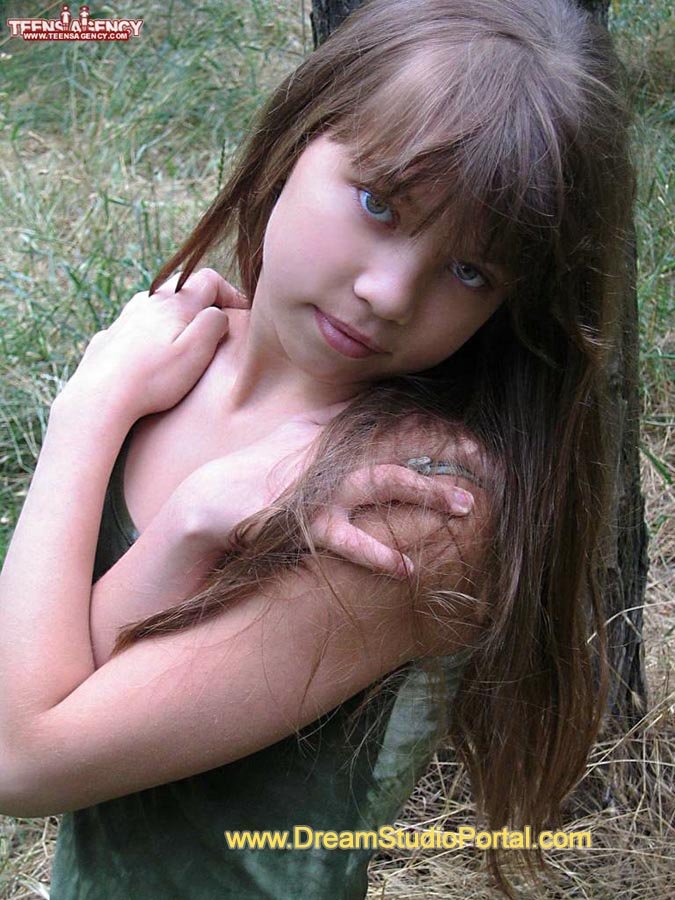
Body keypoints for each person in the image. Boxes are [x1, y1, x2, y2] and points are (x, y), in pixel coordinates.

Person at [0, 0, 634, 897]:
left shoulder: (412, 504)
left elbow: (20, 759)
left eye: (469, 271)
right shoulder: (169, 361)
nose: (388, 293)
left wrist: (80, 420)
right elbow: (56, 686)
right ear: (297, 136)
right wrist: (179, 518)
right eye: (380, 204)